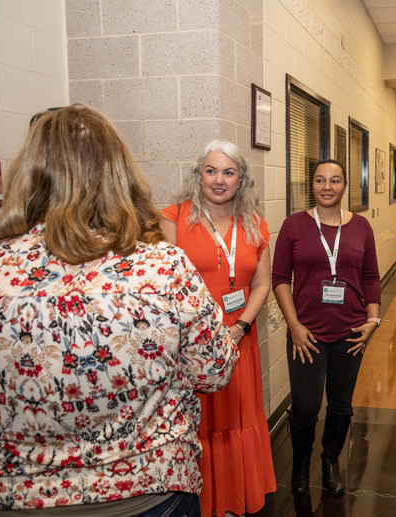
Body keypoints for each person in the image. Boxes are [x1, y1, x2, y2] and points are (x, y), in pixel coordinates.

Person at [0, 105, 237, 515]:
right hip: (146, 492)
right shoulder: (162, 268)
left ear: (26, 173)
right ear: (119, 176)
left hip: (7, 494)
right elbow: (214, 370)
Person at [160, 140, 275, 517]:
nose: (219, 180)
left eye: (228, 172)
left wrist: (240, 327)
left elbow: (262, 284)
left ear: (241, 179)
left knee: (236, 418)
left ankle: (231, 500)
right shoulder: (174, 218)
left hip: (239, 339)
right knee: (200, 423)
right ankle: (200, 503)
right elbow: (163, 286)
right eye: (211, 171)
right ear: (199, 175)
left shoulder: (256, 224)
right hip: (190, 345)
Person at [272, 160, 381, 496]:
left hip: (350, 332)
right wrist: (294, 325)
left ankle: (330, 459)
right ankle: (301, 464)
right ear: (313, 185)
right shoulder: (294, 225)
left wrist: (373, 320)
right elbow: (279, 279)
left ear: (345, 185)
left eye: (335, 180)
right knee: (305, 405)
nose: (327, 186)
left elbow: (371, 277)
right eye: (320, 180)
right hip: (306, 335)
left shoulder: (361, 226)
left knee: (340, 403)